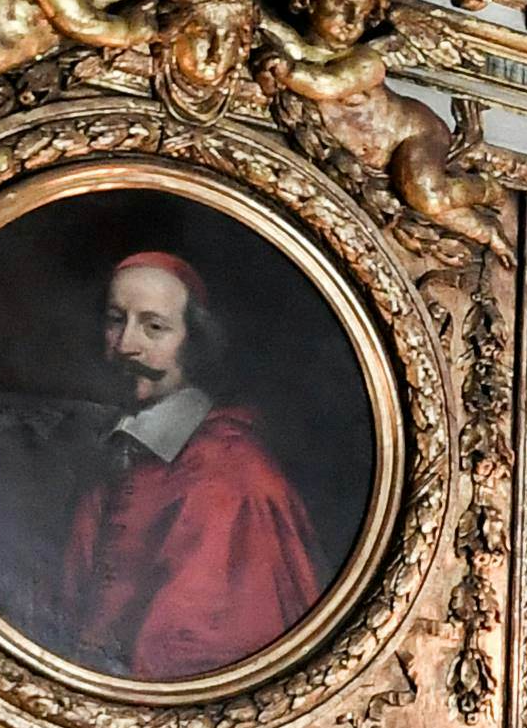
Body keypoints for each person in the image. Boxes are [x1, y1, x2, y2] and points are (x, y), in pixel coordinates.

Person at [53, 248, 326, 680]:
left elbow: (198, 651)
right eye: (115, 320)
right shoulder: (117, 450)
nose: (126, 345)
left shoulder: (232, 472)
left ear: (194, 340)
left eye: (154, 327)